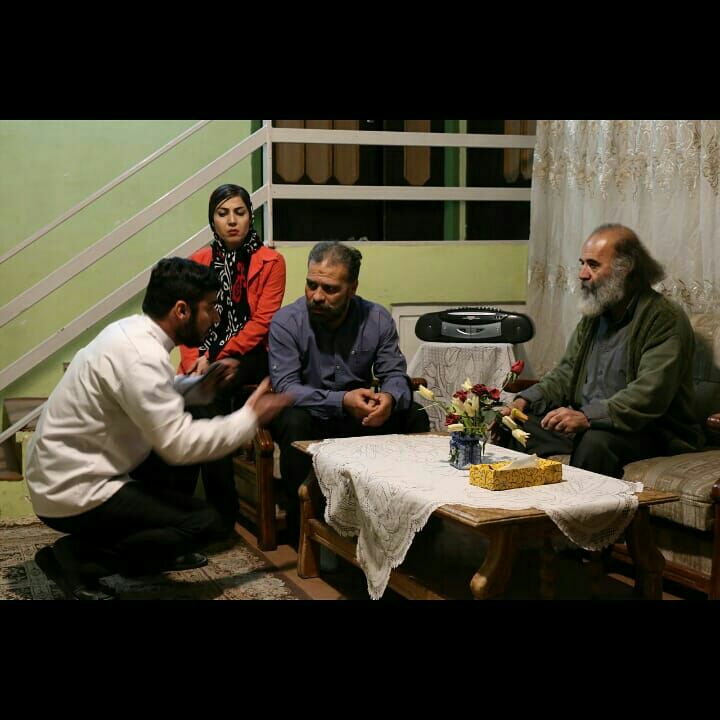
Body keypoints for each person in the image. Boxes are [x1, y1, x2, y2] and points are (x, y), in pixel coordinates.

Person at [25, 257, 290, 600]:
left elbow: (145, 393)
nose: (215, 318)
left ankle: (135, 549)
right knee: (205, 523)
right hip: (71, 488)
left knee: (172, 478)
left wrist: (200, 388)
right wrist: (250, 418)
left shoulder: (132, 334)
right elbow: (179, 445)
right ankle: (77, 559)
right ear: (182, 310)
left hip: (64, 471)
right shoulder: (142, 357)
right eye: (210, 308)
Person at [499, 223, 704, 478]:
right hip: (591, 423)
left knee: (594, 443)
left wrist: (586, 417)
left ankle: (577, 505)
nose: (582, 274)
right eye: (582, 264)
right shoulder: (596, 314)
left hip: (650, 431)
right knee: (515, 425)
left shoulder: (663, 318)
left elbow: (650, 394)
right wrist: (525, 400)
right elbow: (566, 373)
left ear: (624, 268)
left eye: (593, 265)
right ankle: (521, 501)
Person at [268, 241, 430, 541]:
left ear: (352, 288)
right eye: (311, 285)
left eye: (330, 289)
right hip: (312, 416)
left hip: (359, 418)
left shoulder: (376, 318)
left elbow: (394, 374)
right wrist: (342, 400)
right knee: (293, 420)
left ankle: (414, 519)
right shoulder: (287, 322)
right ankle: (302, 525)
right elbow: (286, 388)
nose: (317, 296)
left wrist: (388, 399)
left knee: (414, 413)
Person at [175, 184, 286, 531]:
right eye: (223, 214)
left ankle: (219, 513)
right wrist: (194, 360)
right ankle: (188, 509)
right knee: (191, 401)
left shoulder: (271, 261)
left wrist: (215, 357)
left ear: (251, 216)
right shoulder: (198, 261)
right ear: (213, 220)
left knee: (208, 390)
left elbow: (262, 322)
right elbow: (187, 322)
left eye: (239, 212)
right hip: (204, 355)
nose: (232, 221)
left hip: (251, 353)